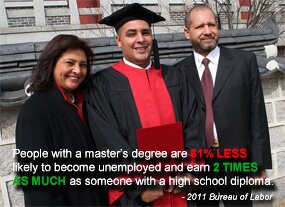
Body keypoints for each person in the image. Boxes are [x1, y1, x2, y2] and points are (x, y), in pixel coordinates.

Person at [85, 3, 202, 207]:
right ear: (119, 41)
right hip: (139, 197)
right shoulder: (102, 85)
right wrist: (139, 186)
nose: (140, 39)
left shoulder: (174, 76)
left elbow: (194, 124)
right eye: (131, 34)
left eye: (145, 32)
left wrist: (190, 169)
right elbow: (108, 142)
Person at [175, 4, 272, 206]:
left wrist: (258, 163)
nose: (207, 31)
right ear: (187, 32)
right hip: (198, 164)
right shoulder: (177, 73)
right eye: (200, 26)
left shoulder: (244, 62)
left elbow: (257, 115)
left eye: (212, 24)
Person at [16, 34, 107, 206]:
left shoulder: (83, 103)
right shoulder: (36, 109)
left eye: (83, 65)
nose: (77, 71)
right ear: (52, 63)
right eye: (69, 63)